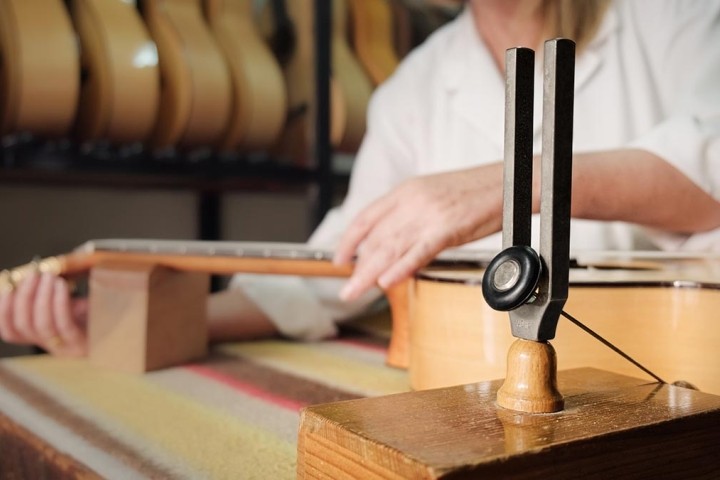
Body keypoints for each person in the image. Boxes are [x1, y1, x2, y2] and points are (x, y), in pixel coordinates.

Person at [1, 0, 719, 356]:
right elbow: (333, 269)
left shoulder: (680, 15)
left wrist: (502, 184)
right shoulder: (412, 89)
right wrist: (127, 327)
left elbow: (708, 164)